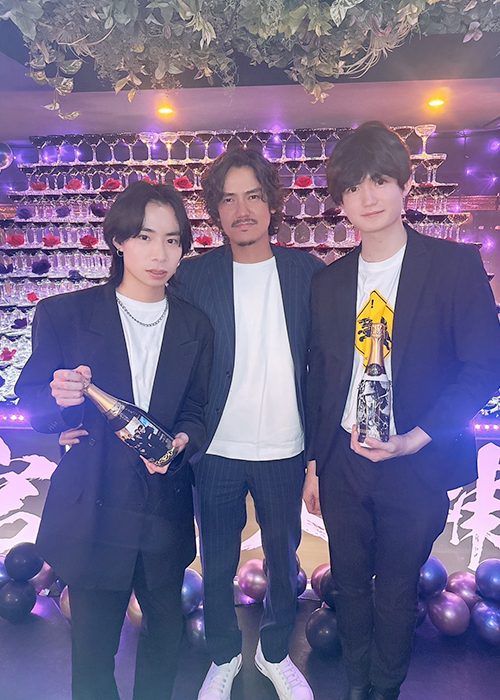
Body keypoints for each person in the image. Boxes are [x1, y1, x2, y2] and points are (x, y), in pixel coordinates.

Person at [304, 121, 500, 700]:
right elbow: (321, 379)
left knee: (395, 588)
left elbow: (483, 365)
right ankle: (355, 684)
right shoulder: (329, 282)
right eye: (353, 186)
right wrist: (315, 463)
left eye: (380, 180)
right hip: (344, 459)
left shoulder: (453, 265)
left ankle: (384, 688)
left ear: (406, 184)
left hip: (416, 460)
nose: (367, 197)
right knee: (349, 585)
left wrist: (417, 436)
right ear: (340, 201)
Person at [15, 181, 214, 700]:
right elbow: (32, 400)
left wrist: (183, 440)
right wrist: (58, 401)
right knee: (93, 652)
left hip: (164, 506)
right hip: (95, 507)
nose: (159, 254)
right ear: (119, 240)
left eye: (172, 240)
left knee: (165, 642)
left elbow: (198, 408)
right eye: (145, 237)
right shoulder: (65, 314)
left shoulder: (195, 325)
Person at [173, 147, 323, 700]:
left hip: (286, 446)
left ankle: (275, 651)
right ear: (215, 210)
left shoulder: (308, 273)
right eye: (229, 199)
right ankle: (223, 655)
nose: (242, 210)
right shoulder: (193, 277)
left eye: (254, 196)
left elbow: (325, 366)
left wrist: (318, 457)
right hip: (216, 446)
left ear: (272, 203)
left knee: (284, 559)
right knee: (216, 560)